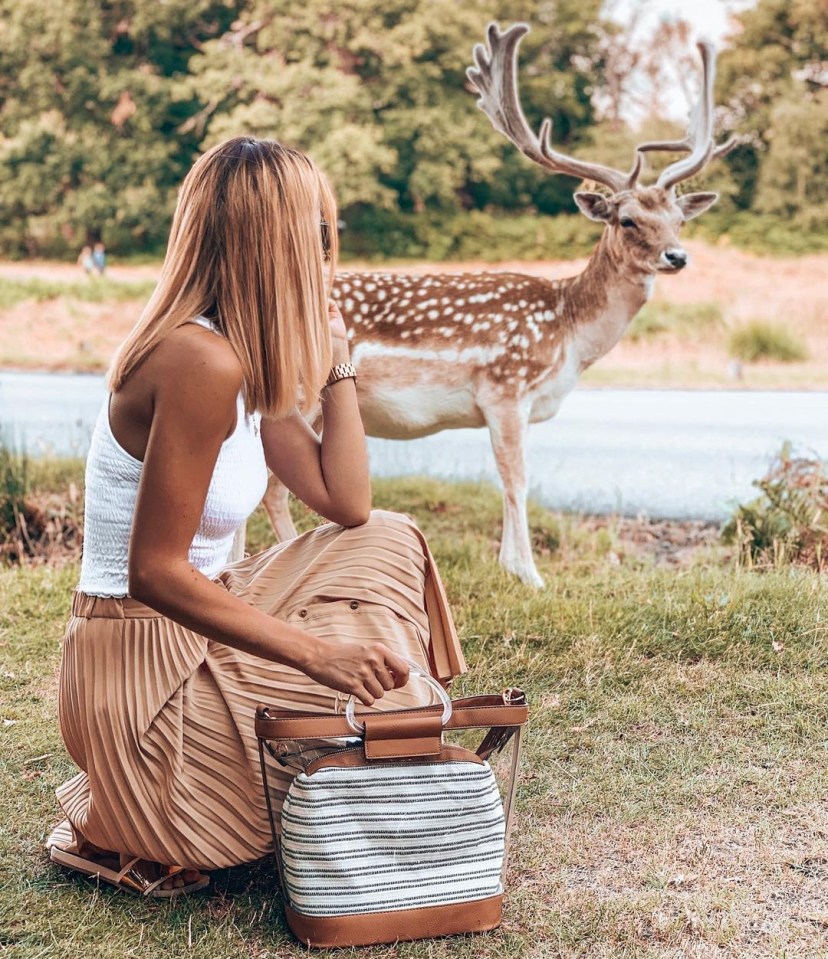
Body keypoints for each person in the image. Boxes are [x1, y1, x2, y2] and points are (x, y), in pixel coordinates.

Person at [45, 136, 466, 897]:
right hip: (142, 670)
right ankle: (127, 810)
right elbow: (153, 572)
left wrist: (338, 360)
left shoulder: (240, 353)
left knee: (390, 539)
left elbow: (348, 503)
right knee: (365, 700)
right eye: (313, 228)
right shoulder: (198, 362)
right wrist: (316, 654)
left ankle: (377, 723)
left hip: (203, 620)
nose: (324, 246)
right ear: (270, 241)